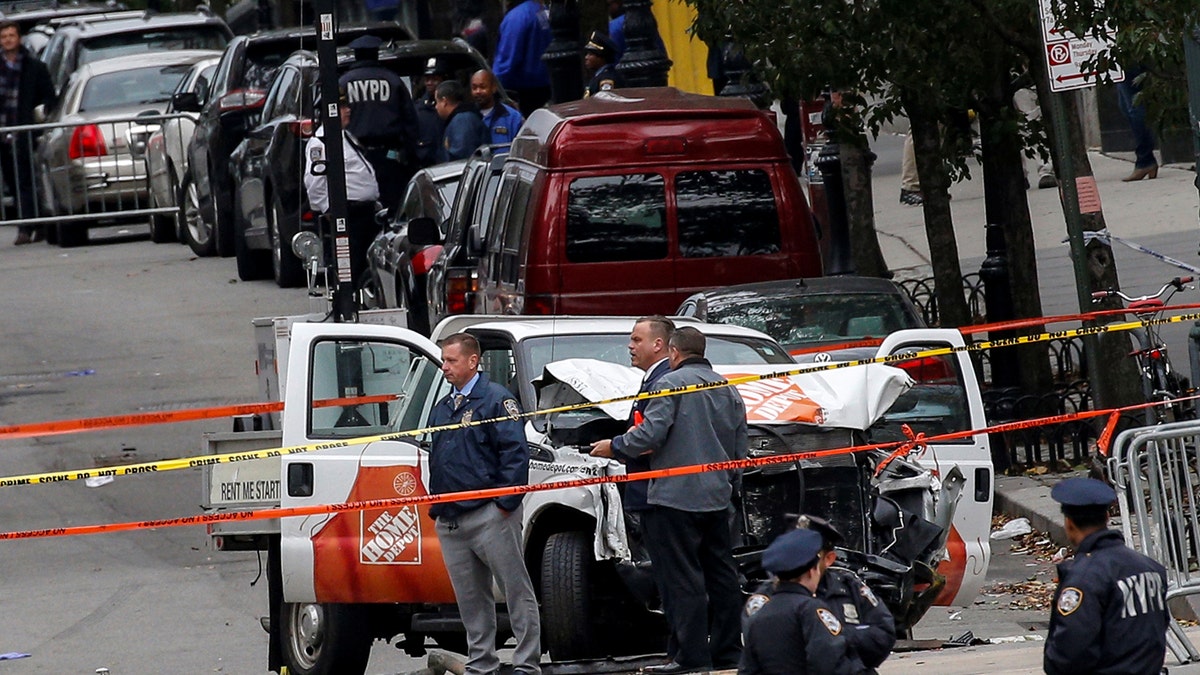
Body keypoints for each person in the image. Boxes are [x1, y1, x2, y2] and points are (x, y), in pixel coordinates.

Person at [590, 326, 746, 673]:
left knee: (681, 579)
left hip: (674, 499)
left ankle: (690, 657)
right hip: (717, 498)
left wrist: (614, 446)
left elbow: (652, 433)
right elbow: (740, 447)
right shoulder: (727, 388)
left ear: (673, 352)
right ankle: (728, 652)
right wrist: (728, 484)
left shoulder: (669, 385)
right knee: (722, 576)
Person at [428, 333, 542, 675]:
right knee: (471, 599)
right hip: (451, 518)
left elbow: (515, 455)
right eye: (443, 361)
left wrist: (504, 505)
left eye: (451, 361)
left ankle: (526, 664)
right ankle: (481, 663)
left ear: (473, 361)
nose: (444, 367)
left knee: (515, 591)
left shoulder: (495, 400)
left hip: (489, 516)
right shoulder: (444, 406)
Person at [1043, 477, 1169, 675]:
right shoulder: (1149, 568)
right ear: (1107, 518)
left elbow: (1070, 651)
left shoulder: (1084, 578)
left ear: (1069, 523)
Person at [744, 515, 895, 673]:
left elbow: (884, 635)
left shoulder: (848, 585)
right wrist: (834, 636)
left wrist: (838, 635)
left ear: (828, 558)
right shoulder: (766, 599)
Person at [740, 528, 860, 675]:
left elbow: (747, 668)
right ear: (811, 571)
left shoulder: (759, 614)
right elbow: (829, 661)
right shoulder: (810, 609)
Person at [302, 91, 379, 288]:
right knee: (351, 266)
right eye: (343, 107)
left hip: (363, 212)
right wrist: (330, 209)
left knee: (365, 265)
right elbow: (315, 182)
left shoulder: (345, 136)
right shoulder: (320, 143)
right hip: (348, 213)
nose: (348, 111)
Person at [338, 34, 418, 211]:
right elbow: (410, 122)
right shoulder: (392, 80)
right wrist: (410, 156)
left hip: (354, 159)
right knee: (392, 209)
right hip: (389, 158)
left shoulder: (344, 82)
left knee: (363, 209)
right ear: (376, 54)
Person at [0, 20, 55, 245]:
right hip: (3, 132)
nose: (8, 40)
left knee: (28, 179)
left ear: (19, 38)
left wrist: (39, 119)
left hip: (26, 131)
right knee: (13, 180)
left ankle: (27, 226)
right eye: (4, 37)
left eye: (11, 35)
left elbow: (49, 98)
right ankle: (37, 222)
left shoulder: (34, 67)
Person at [492, 0, 552, 118]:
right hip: (546, 87)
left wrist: (494, 86)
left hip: (521, 93)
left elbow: (506, 61)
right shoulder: (544, 11)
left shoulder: (517, 17)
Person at [1116, 64, 1158, 182]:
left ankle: (1145, 160)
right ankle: (1146, 159)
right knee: (1126, 106)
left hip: (1126, 57)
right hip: (1119, 59)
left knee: (1134, 107)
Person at [435, 80, 490, 163]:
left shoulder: (463, 121)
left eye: (437, 102)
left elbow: (462, 159)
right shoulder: (459, 119)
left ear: (444, 101)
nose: (436, 107)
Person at [415, 56, 451, 168]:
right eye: (427, 79)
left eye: (434, 79)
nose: (430, 83)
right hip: (425, 166)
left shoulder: (452, 106)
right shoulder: (418, 109)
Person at [471, 69, 524, 145]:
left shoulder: (512, 117)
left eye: (483, 87)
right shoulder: (468, 117)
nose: (478, 91)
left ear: (494, 88)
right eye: (474, 88)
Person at [583, 31, 624, 98]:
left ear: (601, 58)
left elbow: (606, 104)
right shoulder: (599, 76)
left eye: (590, 54)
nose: (586, 57)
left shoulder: (607, 79)